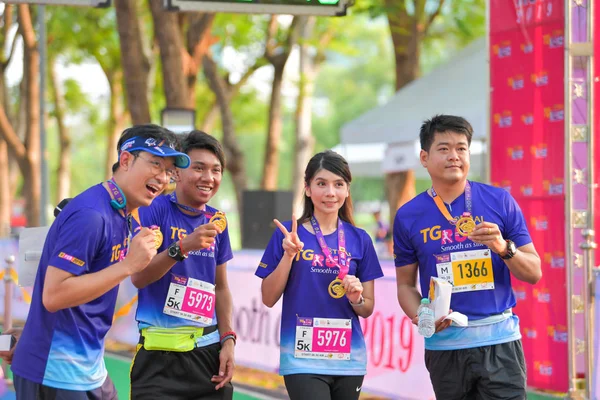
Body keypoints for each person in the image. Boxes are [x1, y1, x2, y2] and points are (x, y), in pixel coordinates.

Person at [6, 125, 190, 399]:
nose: (162, 177)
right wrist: (127, 265)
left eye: (169, 170)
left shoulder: (123, 212)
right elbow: (54, 295)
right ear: (126, 160)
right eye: (155, 163)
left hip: (90, 369)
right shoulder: (92, 214)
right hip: (56, 374)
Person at [393, 114, 542, 400]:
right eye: (444, 148)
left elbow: (533, 272)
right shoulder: (408, 216)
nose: (454, 156)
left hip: (500, 345)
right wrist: (422, 315)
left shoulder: (499, 201)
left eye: (461, 148)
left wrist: (503, 247)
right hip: (445, 349)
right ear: (424, 157)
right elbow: (405, 286)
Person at [256, 150, 384, 400]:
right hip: (302, 358)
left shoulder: (361, 240)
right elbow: (268, 298)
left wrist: (356, 297)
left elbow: (367, 308)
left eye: (338, 184)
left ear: (347, 190)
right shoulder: (288, 237)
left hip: (349, 357)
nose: (330, 192)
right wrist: (288, 256)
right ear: (307, 188)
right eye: (321, 183)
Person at [129, 130, 235, 399]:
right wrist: (183, 247)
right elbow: (139, 277)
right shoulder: (153, 209)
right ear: (177, 172)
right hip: (157, 359)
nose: (208, 178)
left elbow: (221, 288)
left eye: (216, 170)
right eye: (198, 168)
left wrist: (228, 340)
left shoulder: (218, 221)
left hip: (208, 357)